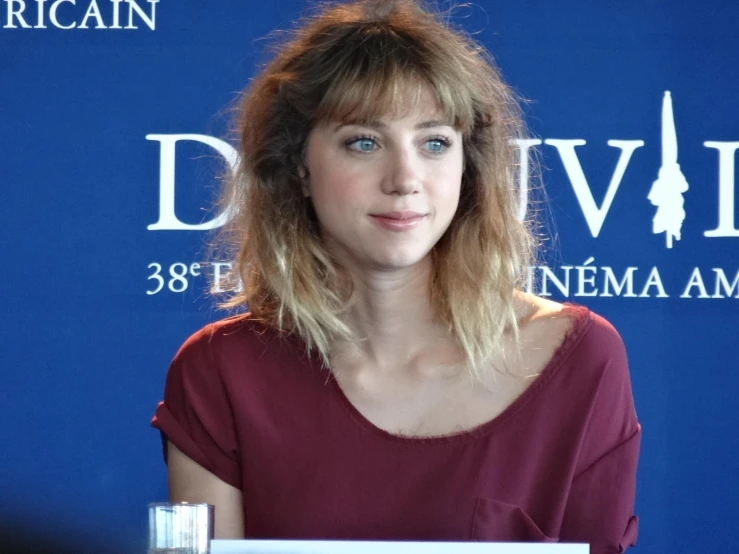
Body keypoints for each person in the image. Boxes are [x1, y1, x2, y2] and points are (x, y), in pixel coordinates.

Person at [151, 0, 641, 551]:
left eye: (435, 143)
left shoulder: (579, 359)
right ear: (298, 168)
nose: (405, 179)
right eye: (364, 141)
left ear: (468, 169)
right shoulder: (220, 372)